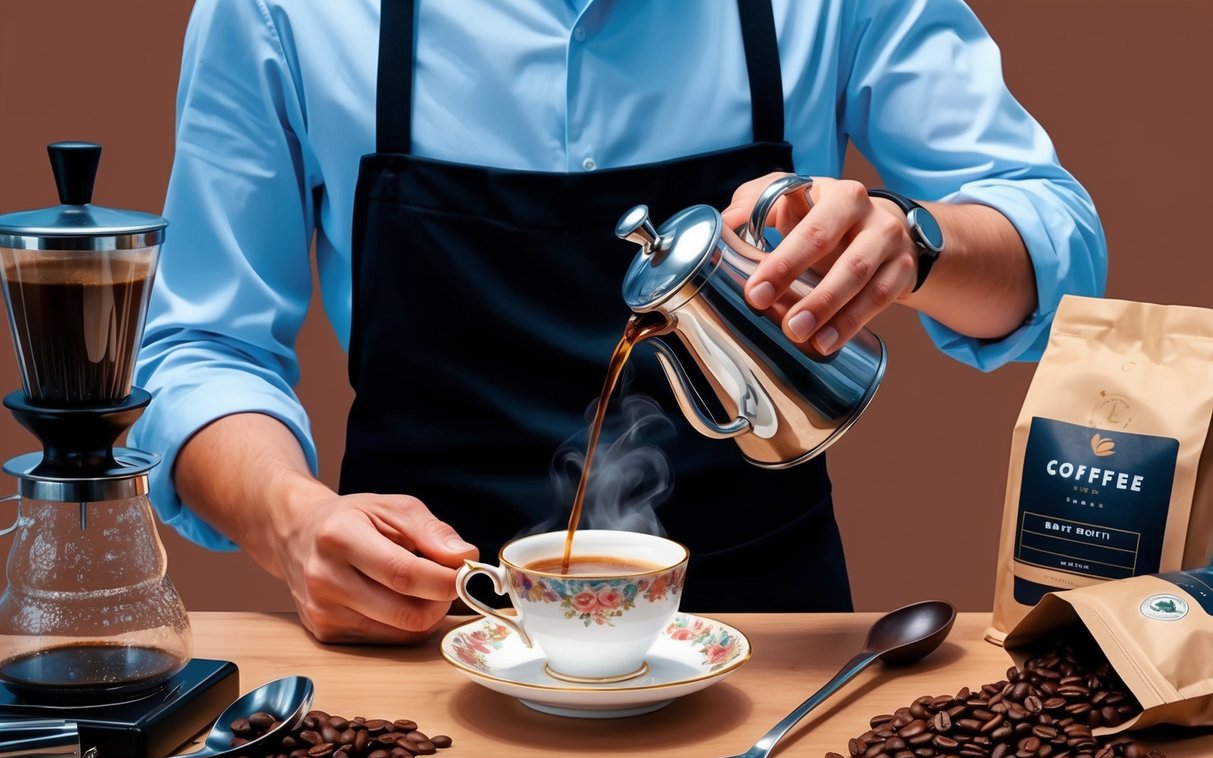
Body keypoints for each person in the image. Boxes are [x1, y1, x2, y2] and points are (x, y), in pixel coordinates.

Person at [131, 0, 1107, 643]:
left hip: (764, 648)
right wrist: (293, 522)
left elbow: (1054, 242)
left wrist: (915, 239)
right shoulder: (281, 13)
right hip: (420, 639)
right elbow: (200, 350)